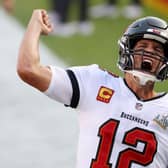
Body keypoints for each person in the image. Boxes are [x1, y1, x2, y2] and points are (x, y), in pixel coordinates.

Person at [17, 9, 168, 167]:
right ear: (127, 50)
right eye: (143, 46)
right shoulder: (95, 81)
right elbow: (28, 70)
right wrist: (35, 24)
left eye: (157, 49)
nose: (150, 53)